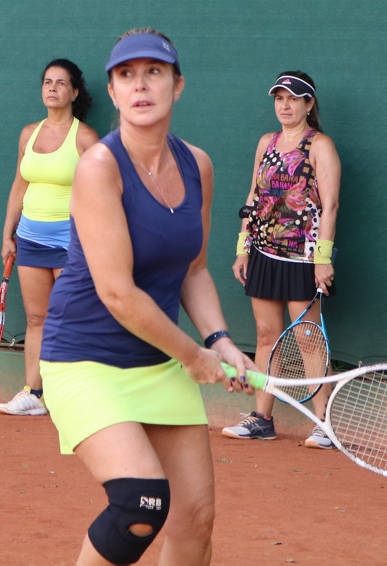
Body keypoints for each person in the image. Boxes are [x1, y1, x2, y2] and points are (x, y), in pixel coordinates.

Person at [40, 29, 254, 565]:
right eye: (126, 75)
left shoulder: (197, 164)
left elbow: (194, 269)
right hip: (85, 359)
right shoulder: (99, 167)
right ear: (112, 92)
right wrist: (194, 356)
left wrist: (220, 340)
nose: (140, 85)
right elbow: (117, 293)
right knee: (140, 504)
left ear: (177, 86)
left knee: (195, 520)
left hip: (158, 361)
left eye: (154, 72)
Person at [222, 71, 340, 450]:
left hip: (304, 257)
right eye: (279, 98)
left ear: (309, 104)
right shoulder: (266, 143)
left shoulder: (320, 145)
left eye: (293, 98)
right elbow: (254, 196)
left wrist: (323, 259)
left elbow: (330, 205)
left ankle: (324, 424)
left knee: (307, 337)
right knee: (265, 336)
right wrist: (243, 247)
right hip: (263, 251)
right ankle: (262, 419)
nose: (285, 105)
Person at [0, 59, 99, 416]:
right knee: (36, 318)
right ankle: (34, 393)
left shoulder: (86, 138)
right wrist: (8, 234)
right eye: (47, 82)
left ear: (74, 92)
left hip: (70, 242)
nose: (52, 88)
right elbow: (19, 185)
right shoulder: (29, 134)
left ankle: (78, 395)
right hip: (29, 239)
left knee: (72, 319)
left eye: (61, 83)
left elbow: (101, 194)